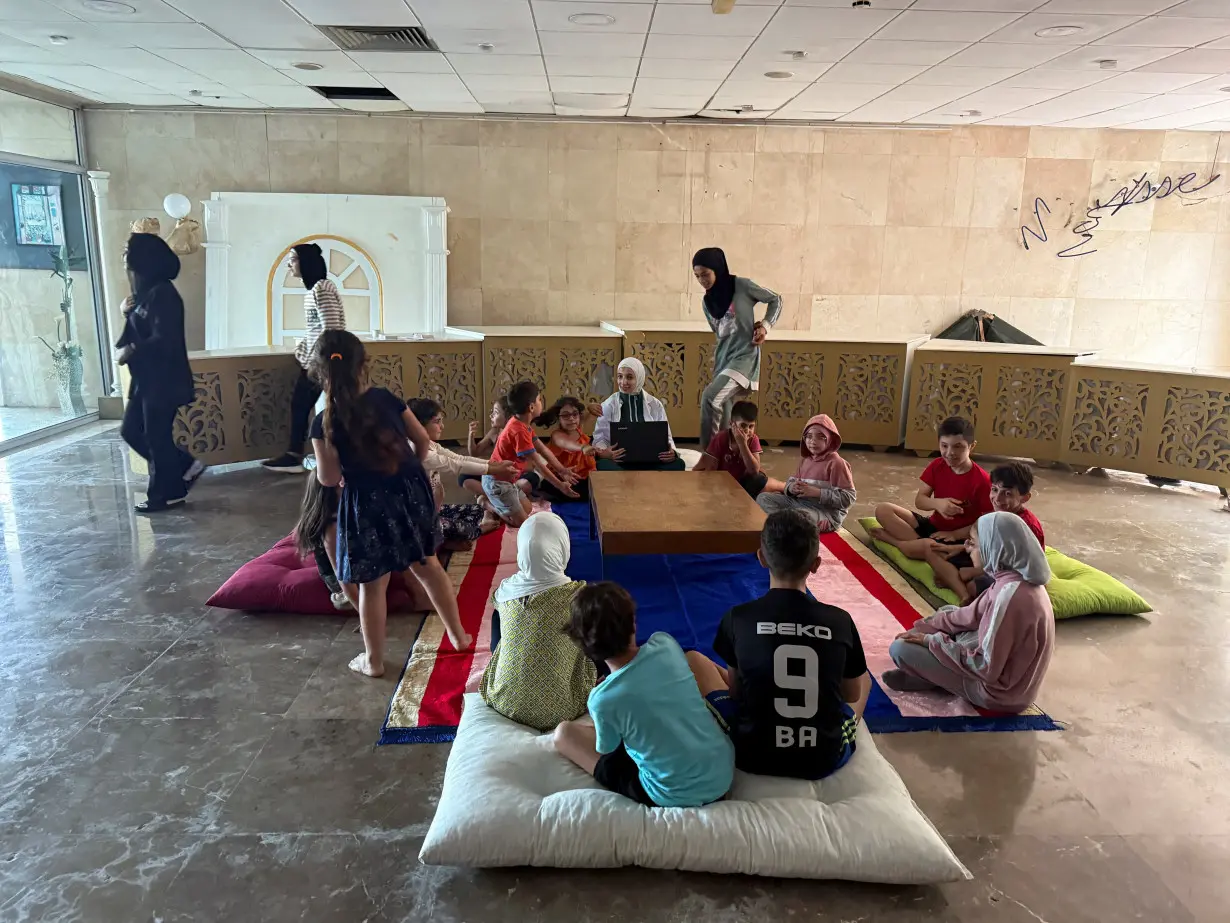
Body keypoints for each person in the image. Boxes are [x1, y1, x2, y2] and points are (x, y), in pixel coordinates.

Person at [310, 330, 471, 677]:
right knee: (427, 564)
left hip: (365, 499)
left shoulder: (323, 420)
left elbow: (327, 477)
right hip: (409, 489)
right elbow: (422, 439)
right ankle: (458, 636)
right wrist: (411, 467)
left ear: (320, 371)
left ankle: (374, 661)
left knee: (372, 583)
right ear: (362, 363)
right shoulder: (385, 398)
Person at [685, 510, 870, 780]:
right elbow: (851, 694)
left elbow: (736, 693)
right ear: (816, 564)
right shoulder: (840, 620)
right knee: (863, 677)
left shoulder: (738, 617)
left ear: (760, 558)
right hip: (821, 757)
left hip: (751, 751)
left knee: (693, 658)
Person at [553, 582, 734, 807]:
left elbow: (607, 749)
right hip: (723, 773)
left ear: (585, 648)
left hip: (671, 794)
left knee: (564, 733)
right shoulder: (665, 644)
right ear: (633, 624)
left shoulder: (601, 701)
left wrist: (603, 708)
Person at [881, 512, 1055, 714]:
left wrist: (931, 642)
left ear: (994, 548)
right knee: (949, 612)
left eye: (973, 543)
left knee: (901, 649)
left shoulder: (1009, 598)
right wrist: (921, 630)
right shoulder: (1014, 580)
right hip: (1005, 674)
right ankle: (932, 672)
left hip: (998, 694)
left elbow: (985, 667)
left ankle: (930, 677)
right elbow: (969, 616)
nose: (967, 548)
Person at [480, 512, 596, 731]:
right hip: (566, 707)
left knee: (502, 620)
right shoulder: (580, 595)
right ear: (562, 546)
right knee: (592, 629)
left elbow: (496, 643)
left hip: (504, 701)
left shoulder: (505, 592)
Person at [116, 232, 203, 513]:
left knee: (156, 436)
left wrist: (132, 349)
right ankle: (183, 467)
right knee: (132, 430)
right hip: (147, 380)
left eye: (128, 250)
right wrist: (125, 313)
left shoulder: (163, 293)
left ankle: (165, 494)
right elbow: (141, 326)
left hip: (163, 380)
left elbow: (164, 338)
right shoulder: (146, 293)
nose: (124, 255)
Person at [263, 243, 345, 473]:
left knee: (308, 405)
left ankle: (295, 456)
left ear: (306, 262)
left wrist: (324, 361)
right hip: (316, 360)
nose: (289, 265)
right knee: (303, 405)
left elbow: (331, 329)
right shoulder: (315, 290)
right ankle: (295, 454)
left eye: (293, 259)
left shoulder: (322, 288)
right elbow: (319, 328)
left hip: (323, 362)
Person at [691, 247, 783, 451]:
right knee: (725, 415)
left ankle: (708, 456)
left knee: (709, 397)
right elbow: (721, 335)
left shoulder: (741, 285)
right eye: (697, 276)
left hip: (745, 358)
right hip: (723, 360)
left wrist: (765, 326)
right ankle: (724, 460)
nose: (702, 280)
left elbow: (776, 300)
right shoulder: (707, 302)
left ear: (717, 268)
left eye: (705, 274)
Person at [870, 416, 992, 561]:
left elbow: (987, 524)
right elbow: (920, 501)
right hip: (932, 528)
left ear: (972, 446)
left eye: (958, 446)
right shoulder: (937, 465)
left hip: (957, 538)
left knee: (937, 548)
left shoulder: (983, 480)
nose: (950, 452)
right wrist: (938, 503)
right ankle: (918, 546)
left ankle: (908, 545)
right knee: (883, 509)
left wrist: (956, 534)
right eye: (944, 446)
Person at [930, 461, 1045, 604]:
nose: (997, 499)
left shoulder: (1026, 526)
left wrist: (975, 572)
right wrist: (960, 548)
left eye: (1007, 493)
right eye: (995, 489)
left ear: (1025, 497)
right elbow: (989, 547)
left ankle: (964, 591)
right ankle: (960, 580)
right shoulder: (996, 516)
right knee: (941, 557)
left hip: (1015, 575)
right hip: (991, 561)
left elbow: (1018, 568)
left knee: (975, 586)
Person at [408, 398, 518, 543]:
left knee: (476, 511)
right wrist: (494, 469)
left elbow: (460, 459)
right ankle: (471, 533)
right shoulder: (418, 454)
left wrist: (495, 466)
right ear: (419, 425)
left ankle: (448, 539)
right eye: (437, 421)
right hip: (415, 521)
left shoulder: (430, 445)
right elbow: (455, 465)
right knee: (459, 529)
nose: (442, 426)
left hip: (433, 511)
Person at [481, 381, 578, 528]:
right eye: (539, 399)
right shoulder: (519, 431)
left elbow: (543, 450)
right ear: (531, 407)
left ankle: (498, 503)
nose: (541, 402)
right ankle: (488, 505)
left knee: (528, 508)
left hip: (508, 481)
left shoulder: (522, 424)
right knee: (522, 523)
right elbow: (538, 464)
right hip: (497, 482)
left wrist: (562, 470)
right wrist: (560, 485)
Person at [756, 414, 856, 533]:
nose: (813, 441)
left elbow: (849, 498)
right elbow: (791, 482)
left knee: (800, 517)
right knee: (763, 498)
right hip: (800, 503)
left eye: (820, 437)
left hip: (825, 512)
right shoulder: (806, 460)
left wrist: (818, 493)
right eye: (808, 436)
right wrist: (791, 488)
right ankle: (787, 523)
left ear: (830, 439)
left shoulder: (837, 464)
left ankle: (787, 523)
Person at [591, 357, 684, 471]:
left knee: (678, 464)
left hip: (650, 459)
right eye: (620, 376)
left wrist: (672, 453)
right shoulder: (608, 405)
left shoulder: (655, 404)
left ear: (639, 378)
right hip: (619, 460)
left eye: (629, 377)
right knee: (603, 465)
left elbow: (666, 435)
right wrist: (605, 453)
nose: (623, 382)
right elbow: (600, 438)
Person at [693, 399, 785, 498]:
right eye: (743, 425)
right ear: (731, 424)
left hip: (744, 482)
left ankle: (785, 487)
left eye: (751, 426)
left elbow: (754, 471)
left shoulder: (753, 439)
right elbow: (711, 469)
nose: (747, 431)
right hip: (724, 482)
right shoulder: (721, 438)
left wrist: (742, 444)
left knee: (759, 480)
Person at [534, 396, 612, 501]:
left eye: (575, 414)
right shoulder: (557, 435)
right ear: (558, 418)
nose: (571, 419)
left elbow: (587, 414)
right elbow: (566, 443)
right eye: (565, 415)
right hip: (564, 478)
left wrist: (590, 407)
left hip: (584, 476)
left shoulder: (578, 428)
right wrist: (583, 447)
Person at [293, 476, 354, 611]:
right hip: (342, 579)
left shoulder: (341, 512)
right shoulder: (332, 526)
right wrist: (364, 612)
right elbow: (341, 574)